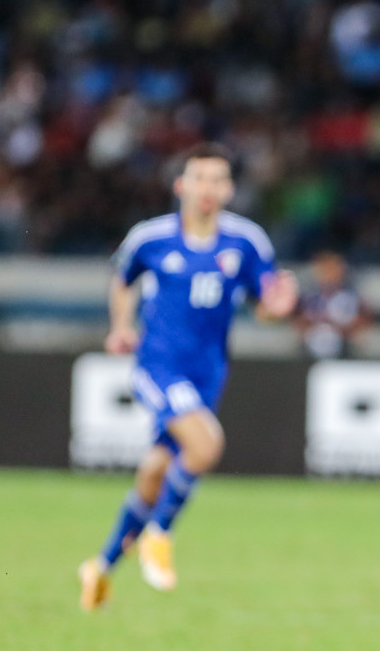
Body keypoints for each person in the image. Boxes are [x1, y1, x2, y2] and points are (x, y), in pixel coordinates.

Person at [77, 143, 298, 610]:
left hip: (208, 373)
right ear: (180, 185)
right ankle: (159, 535)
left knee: (157, 470)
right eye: (199, 178)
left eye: (217, 179)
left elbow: (266, 301)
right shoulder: (150, 238)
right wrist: (120, 327)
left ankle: (100, 566)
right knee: (206, 445)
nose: (208, 188)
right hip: (157, 366)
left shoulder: (246, 241)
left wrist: (277, 308)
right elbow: (122, 279)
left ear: (230, 189)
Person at [294, 250, 373, 359]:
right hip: (310, 345)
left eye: (332, 269)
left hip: (345, 347)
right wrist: (314, 324)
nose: (328, 274)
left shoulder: (351, 294)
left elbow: (365, 319)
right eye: (324, 269)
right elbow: (298, 320)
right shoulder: (308, 296)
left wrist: (341, 328)